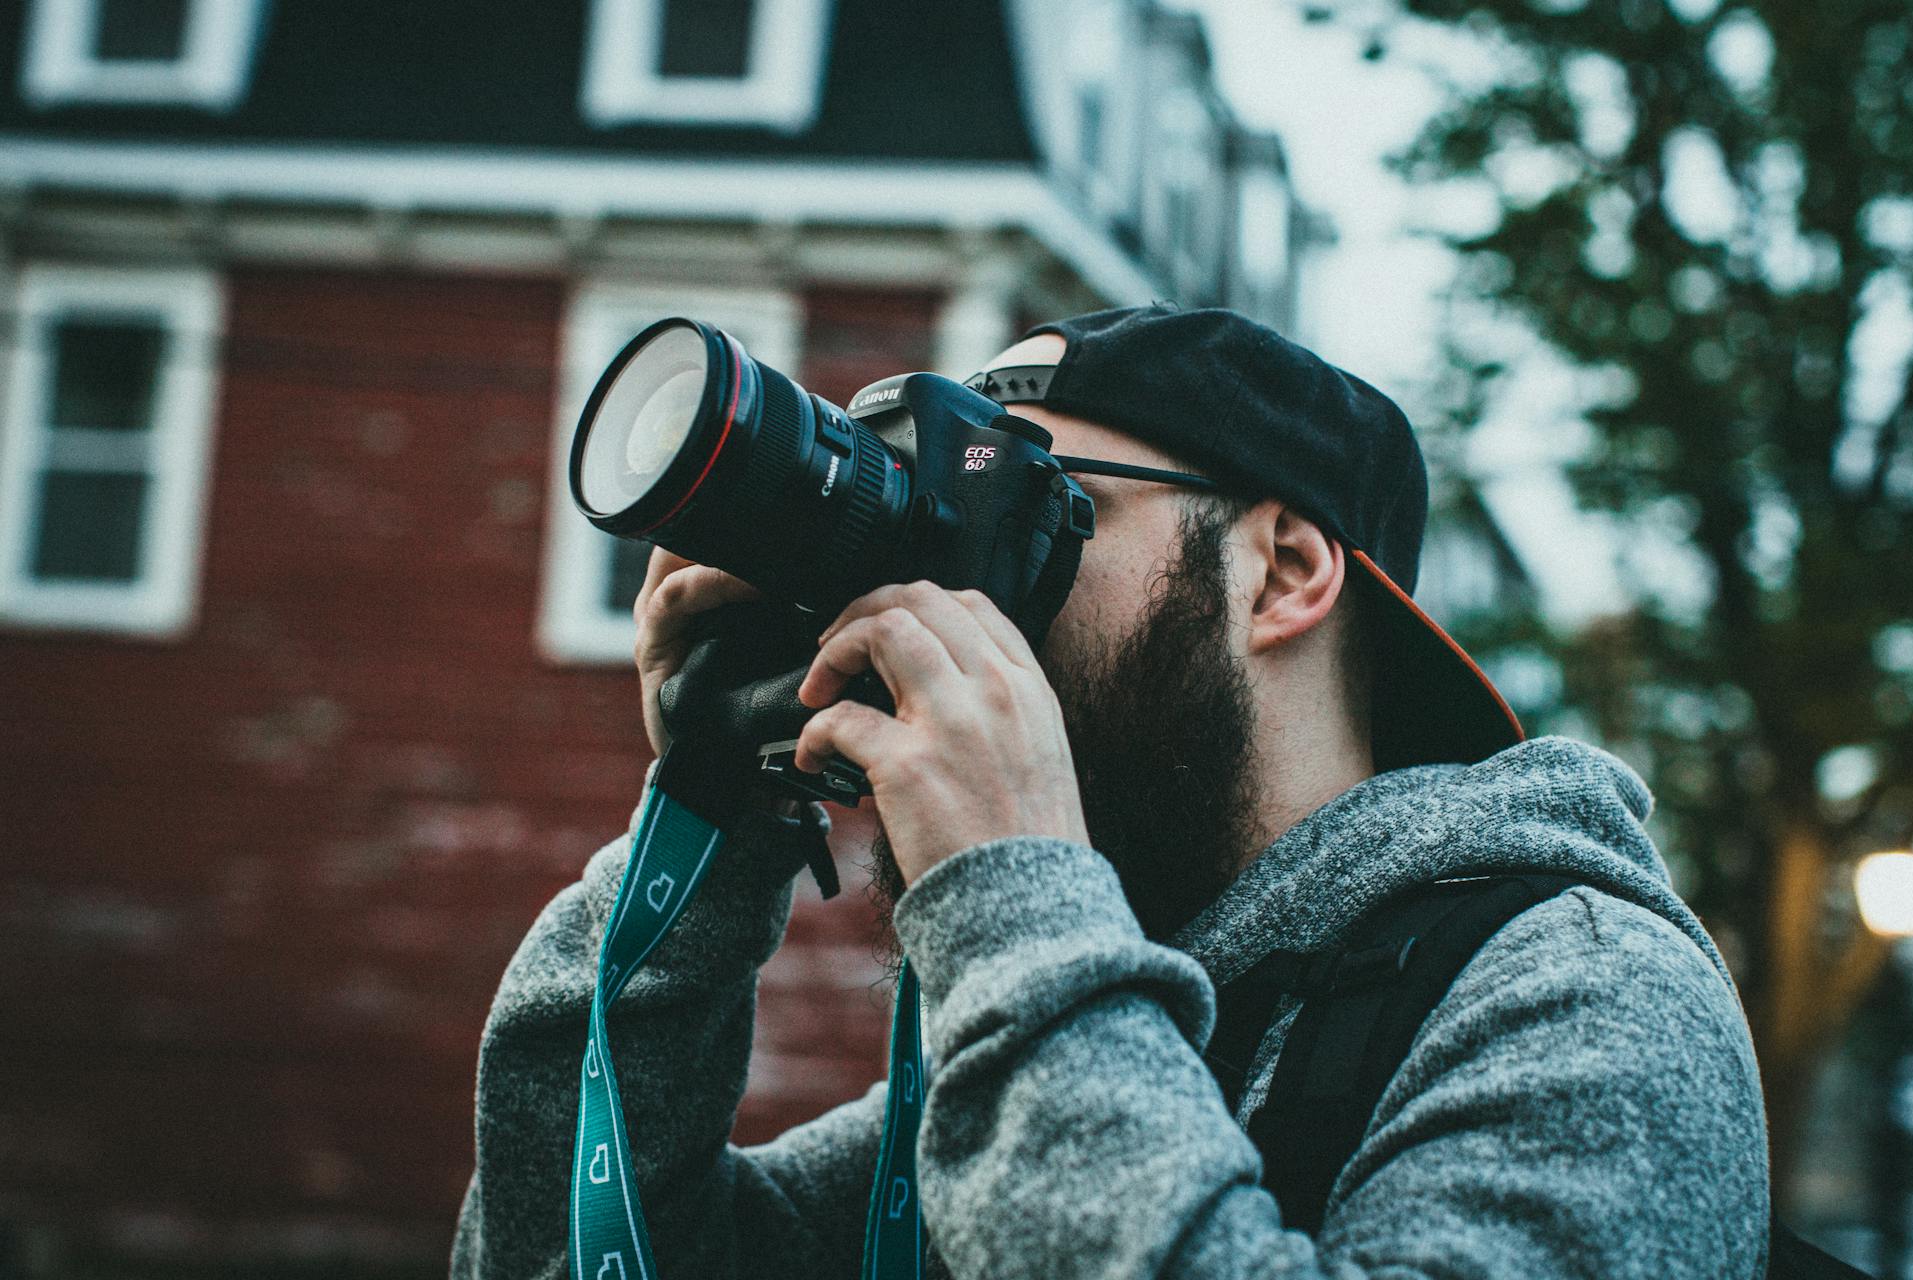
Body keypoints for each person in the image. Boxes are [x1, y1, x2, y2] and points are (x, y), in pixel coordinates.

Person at [452, 306, 1770, 1278]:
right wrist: (720, 827)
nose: (952, 594)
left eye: (1036, 505)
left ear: (1285, 569)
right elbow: (582, 1253)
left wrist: (1013, 899)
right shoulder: (1091, 1023)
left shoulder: (1578, 994)